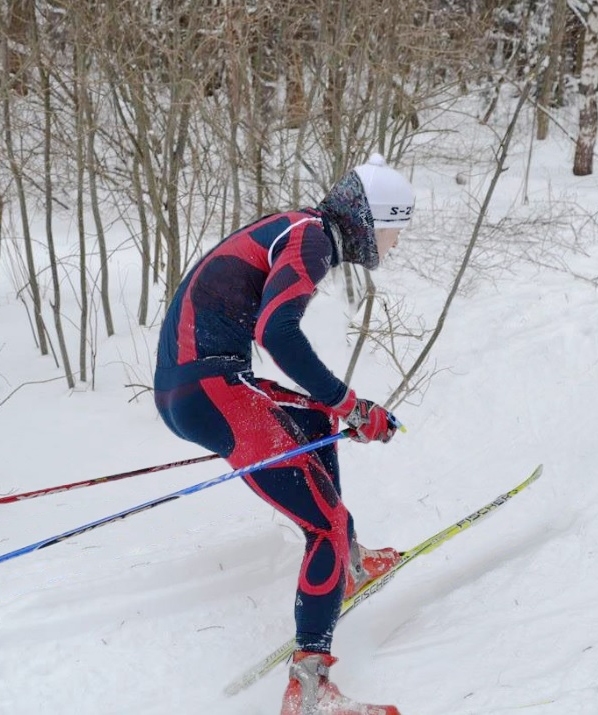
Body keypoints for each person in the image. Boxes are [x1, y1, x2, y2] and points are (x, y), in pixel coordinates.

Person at [154, 154, 413, 715]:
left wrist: (339, 409)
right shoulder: (312, 239)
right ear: (371, 221)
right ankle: (310, 691)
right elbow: (277, 331)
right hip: (210, 386)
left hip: (203, 382)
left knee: (317, 420)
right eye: (395, 229)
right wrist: (353, 404)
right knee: (325, 523)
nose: (395, 244)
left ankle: (349, 563)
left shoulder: (304, 230)